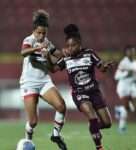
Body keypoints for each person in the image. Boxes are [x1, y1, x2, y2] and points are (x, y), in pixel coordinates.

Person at [47, 24, 113, 150]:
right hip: (79, 93)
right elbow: (53, 69)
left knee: (107, 123)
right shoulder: (66, 58)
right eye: (68, 46)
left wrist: (105, 66)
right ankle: (99, 147)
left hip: (94, 91)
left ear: (80, 44)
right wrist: (47, 58)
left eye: (73, 45)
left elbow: (101, 67)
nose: (70, 48)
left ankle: (93, 129)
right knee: (92, 116)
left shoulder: (89, 53)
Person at [19, 9, 67, 150]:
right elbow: (23, 52)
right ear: (34, 30)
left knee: (61, 106)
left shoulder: (47, 42)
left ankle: (55, 134)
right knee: (33, 122)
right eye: (39, 32)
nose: (41, 35)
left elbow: (57, 54)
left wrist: (65, 54)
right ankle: (28, 140)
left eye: (44, 33)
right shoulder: (29, 40)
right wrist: (37, 48)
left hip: (44, 81)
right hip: (29, 82)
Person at [114, 45, 136, 132]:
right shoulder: (123, 63)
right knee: (127, 107)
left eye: (133, 51)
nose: (132, 53)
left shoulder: (135, 63)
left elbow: (134, 75)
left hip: (132, 86)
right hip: (123, 87)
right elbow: (116, 76)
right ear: (126, 52)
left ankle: (119, 110)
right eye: (130, 51)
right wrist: (126, 74)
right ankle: (122, 127)